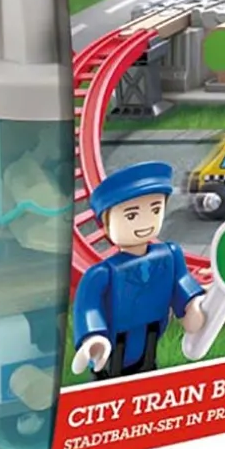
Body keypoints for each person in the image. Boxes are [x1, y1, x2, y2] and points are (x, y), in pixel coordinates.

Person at [70, 162, 205, 379]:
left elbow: (182, 283)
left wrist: (192, 304)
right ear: (106, 225)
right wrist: (94, 338)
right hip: (112, 357)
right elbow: (89, 309)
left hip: (149, 345)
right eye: (131, 216)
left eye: (155, 210)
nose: (145, 222)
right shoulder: (102, 274)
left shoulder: (170, 256)